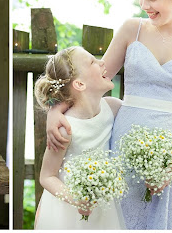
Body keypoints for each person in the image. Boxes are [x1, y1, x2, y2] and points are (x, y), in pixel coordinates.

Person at [45, 0, 172, 230]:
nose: (144, 5)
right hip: (125, 143)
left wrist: (171, 165)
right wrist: (55, 109)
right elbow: (91, 81)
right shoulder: (131, 30)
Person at [34, 47, 125, 229]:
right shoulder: (66, 128)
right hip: (67, 211)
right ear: (80, 84)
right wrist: (76, 200)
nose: (102, 63)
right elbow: (47, 176)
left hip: (103, 207)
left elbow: (141, 113)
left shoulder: (113, 108)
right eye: (93, 62)